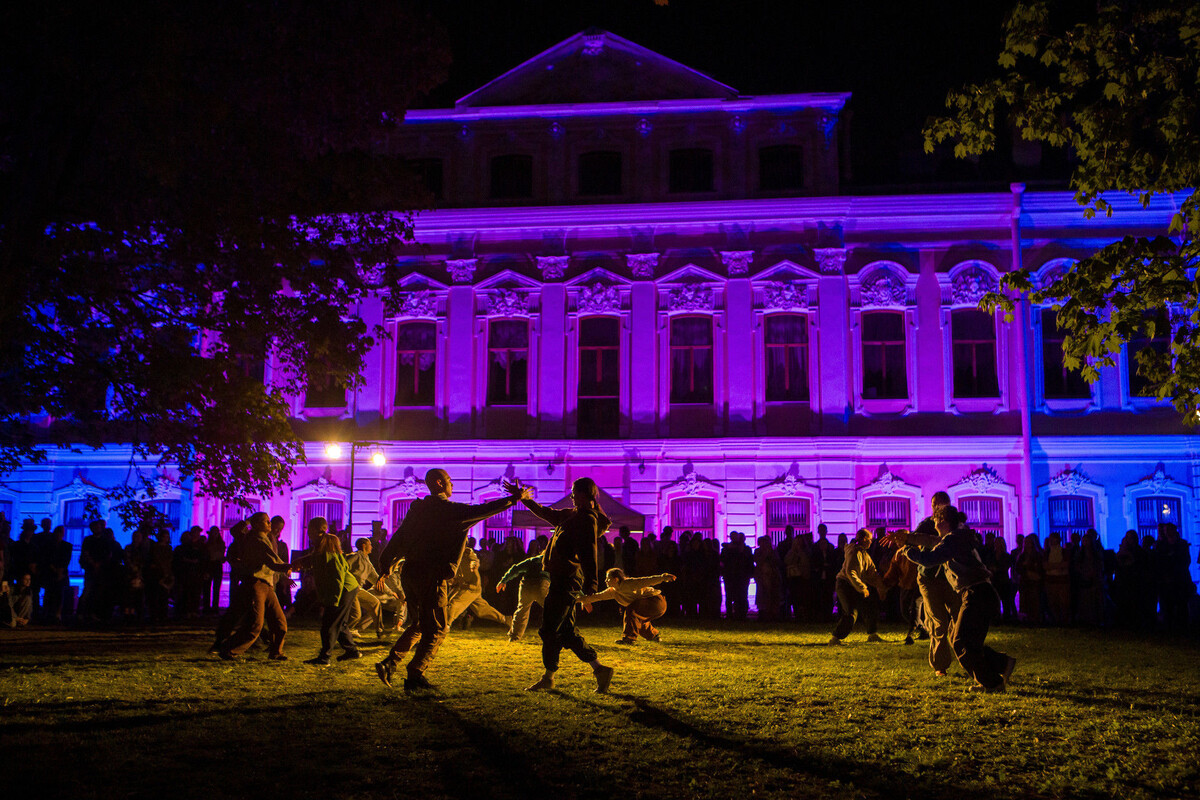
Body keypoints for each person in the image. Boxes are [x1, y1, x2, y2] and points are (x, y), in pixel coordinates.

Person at [374, 469, 524, 691]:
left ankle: (390, 663)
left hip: (411, 573)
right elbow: (483, 510)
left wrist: (386, 564)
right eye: (449, 480)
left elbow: (399, 537)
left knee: (419, 624)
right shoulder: (449, 511)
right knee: (437, 628)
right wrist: (513, 499)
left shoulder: (418, 510)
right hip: (431, 575)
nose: (452, 484)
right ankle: (415, 674)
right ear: (439, 483)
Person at [896, 505, 1016, 693]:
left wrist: (905, 549)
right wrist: (907, 538)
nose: (934, 524)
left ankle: (993, 683)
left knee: (961, 642)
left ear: (942, 520)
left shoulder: (952, 539)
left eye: (935, 520)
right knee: (962, 639)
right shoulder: (955, 538)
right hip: (979, 593)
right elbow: (931, 541)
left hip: (977, 594)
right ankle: (1002, 664)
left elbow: (929, 559)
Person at [520, 477, 615, 694]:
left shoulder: (586, 519)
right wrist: (525, 499)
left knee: (549, 629)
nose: (571, 495)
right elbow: (547, 513)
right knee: (566, 630)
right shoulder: (572, 515)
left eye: (574, 492)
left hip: (567, 581)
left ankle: (548, 677)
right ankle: (600, 670)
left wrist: (592, 584)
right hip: (562, 579)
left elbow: (589, 552)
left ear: (584, 494)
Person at [218, 512, 291, 661]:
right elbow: (272, 562)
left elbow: (274, 560)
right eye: (266, 521)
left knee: (279, 622)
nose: (270, 524)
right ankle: (229, 649)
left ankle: (276, 652)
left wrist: (285, 568)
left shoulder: (267, 538)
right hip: (256, 583)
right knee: (255, 625)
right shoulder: (254, 539)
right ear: (256, 524)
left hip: (267, 584)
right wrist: (288, 567)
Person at [294, 517, 361, 666]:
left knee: (329, 624)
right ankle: (352, 651)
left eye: (309, 529)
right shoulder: (321, 546)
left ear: (314, 530)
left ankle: (325, 658)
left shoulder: (327, 547)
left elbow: (338, 575)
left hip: (344, 589)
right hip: (347, 588)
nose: (307, 532)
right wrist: (299, 562)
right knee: (340, 623)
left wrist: (334, 600)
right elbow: (314, 560)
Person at [579, 567, 675, 644]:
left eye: (608, 578)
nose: (605, 580)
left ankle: (629, 638)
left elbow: (646, 580)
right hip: (648, 606)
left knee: (631, 611)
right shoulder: (612, 591)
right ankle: (653, 636)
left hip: (656, 602)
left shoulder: (628, 583)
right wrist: (577, 599)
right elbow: (597, 597)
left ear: (616, 579)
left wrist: (663, 577)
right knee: (636, 619)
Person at [828, 528, 886, 644]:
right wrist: (862, 588)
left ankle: (872, 634)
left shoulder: (864, 554)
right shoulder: (855, 552)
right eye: (870, 539)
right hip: (845, 584)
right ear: (864, 539)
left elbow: (872, 573)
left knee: (869, 607)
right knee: (851, 613)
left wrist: (881, 587)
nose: (871, 542)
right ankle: (835, 638)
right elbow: (851, 572)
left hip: (854, 584)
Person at [445, 543, 510, 630]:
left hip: (471, 587)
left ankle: (446, 625)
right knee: (481, 610)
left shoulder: (467, 552)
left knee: (454, 604)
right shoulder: (452, 555)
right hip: (464, 586)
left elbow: (474, 559)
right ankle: (505, 619)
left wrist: (474, 564)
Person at [496, 553, 551, 642]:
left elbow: (516, 568)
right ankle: (558, 634)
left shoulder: (533, 560)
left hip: (526, 584)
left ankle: (514, 636)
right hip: (541, 585)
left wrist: (504, 580)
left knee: (522, 609)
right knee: (553, 609)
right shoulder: (553, 562)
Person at [720, 531, 754, 620]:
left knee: (739, 595)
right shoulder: (730, 549)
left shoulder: (729, 548)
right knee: (735, 595)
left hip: (738, 575)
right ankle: (735, 614)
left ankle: (738, 613)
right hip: (734, 575)